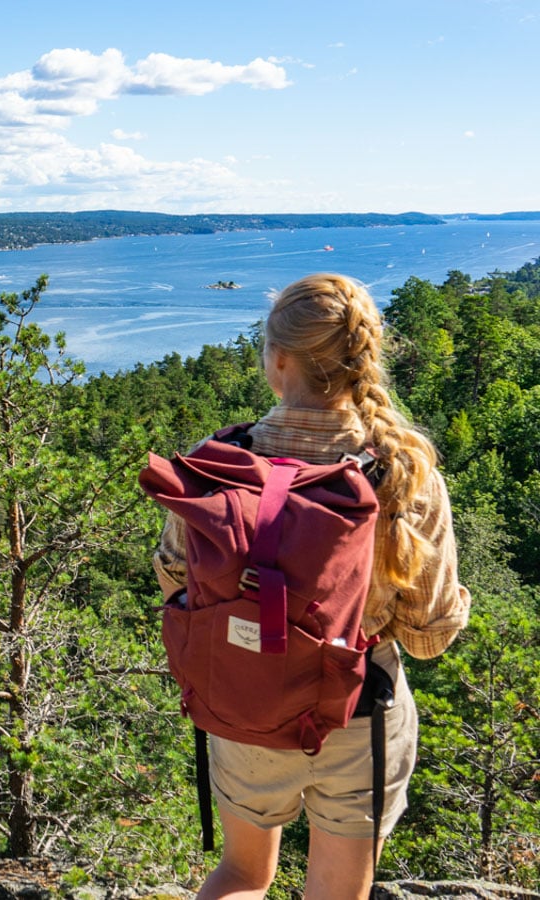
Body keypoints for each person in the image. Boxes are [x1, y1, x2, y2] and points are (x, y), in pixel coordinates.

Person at [152, 273, 470, 899]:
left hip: (243, 697)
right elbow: (429, 638)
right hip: (357, 707)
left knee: (242, 875)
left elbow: (172, 578)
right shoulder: (404, 472)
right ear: (364, 359)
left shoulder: (218, 460)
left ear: (277, 358)